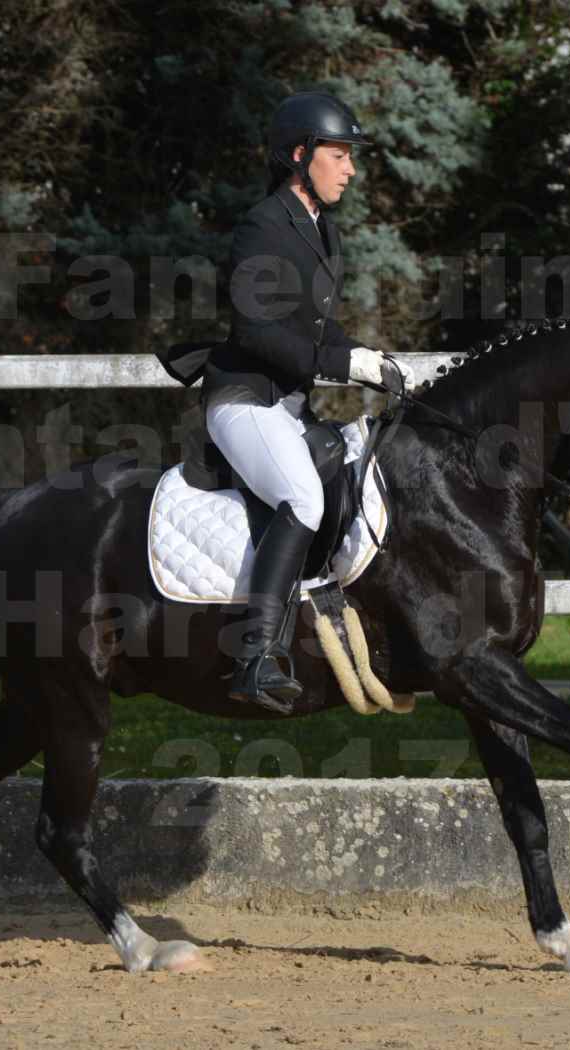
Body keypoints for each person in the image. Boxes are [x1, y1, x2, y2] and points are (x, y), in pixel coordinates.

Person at [201, 91, 413, 711]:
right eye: (339, 155)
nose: (350, 169)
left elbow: (320, 332)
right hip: (244, 400)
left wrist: (367, 360)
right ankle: (254, 657)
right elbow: (257, 332)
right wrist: (340, 364)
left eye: (351, 158)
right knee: (302, 496)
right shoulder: (262, 226)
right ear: (300, 155)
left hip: (288, 407)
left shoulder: (324, 230)